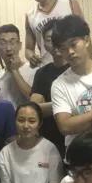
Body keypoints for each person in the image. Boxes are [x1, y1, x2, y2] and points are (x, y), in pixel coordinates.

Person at [51, 15, 92, 150]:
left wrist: (80, 121)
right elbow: (65, 126)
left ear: (87, 40)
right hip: (77, 154)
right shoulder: (59, 84)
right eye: (63, 48)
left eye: (73, 44)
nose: (70, 52)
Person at [23, 0, 83, 67]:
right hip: (48, 69)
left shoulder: (69, 2)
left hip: (73, 66)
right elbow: (28, 49)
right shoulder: (30, 16)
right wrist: (31, 56)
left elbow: (84, 35)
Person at [29, 19, 68, 157]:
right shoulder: (42, 73)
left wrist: (50, 106)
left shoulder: (76, 69)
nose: (55, 43)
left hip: (75, 137)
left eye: (59, 38)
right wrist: (68, 104)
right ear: (44, 44)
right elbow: (35, 109)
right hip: (49, 141)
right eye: (50, 39)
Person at [0, 24, 37, 108]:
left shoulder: (34, 70)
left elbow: (34, 100)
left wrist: (15, 71)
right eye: (3, 43)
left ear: (20, 45)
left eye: (12, 42)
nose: (8, 48)